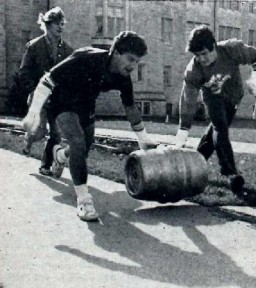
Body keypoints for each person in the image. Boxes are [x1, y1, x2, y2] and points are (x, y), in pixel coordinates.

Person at [22, 31, 156, 221]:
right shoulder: (87, 57)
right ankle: (84, 201)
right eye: (130, 59)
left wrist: (143, 140)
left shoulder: (122, 76)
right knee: (76, 142)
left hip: (85, 104)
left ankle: (60, 155)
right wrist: (34, 112)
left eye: (136, 62)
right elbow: (47, 80)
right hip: (60, 100)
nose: (133, 66)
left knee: (84, 147)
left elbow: (130, 107)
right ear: (116, 52)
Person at [174, 25, 256, 193]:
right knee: (220, 127)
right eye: (197, 55)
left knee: (215, 132)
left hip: (234, 97)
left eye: (204, 53)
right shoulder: (194, 69)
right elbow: (188, 100)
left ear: (213, 45)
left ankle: (195, 163)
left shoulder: (231, 49)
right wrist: (183, 129)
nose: (201, 58)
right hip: (212, 97)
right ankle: (230, 173)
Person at [19, 6, 73, 176]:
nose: (61, 26)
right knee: (39, 132)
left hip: (57, 99)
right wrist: (33, 91)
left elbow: (69, 76)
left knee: (56, 134)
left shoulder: (68, 50)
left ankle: (45, 166)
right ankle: (29, 139)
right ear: (47, 25)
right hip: (38, 97)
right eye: (57, 23)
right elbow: (24, 72)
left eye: (62, 23)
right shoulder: (34, 46)